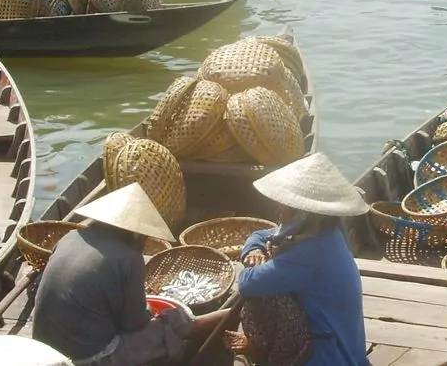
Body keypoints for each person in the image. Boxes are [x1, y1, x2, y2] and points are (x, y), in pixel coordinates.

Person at [33, 183, 232, 364]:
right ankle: (222, 318)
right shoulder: (128, 258)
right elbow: (135, 324)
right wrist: (149, 313)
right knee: (168, 328)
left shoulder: (72, 236)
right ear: (135, 234)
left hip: (43, 346)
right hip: (85, 357)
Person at [225, 152, 370, 366]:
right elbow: (262, 235)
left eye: (286, 209)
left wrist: (259, 263)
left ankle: (260, 347)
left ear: (303, 215)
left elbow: (248, 283)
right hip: (340, 343)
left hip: (330, 356)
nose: (279, 212)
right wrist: (253, 250)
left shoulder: (310, 252)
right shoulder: (327, 233)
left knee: (260, 295)